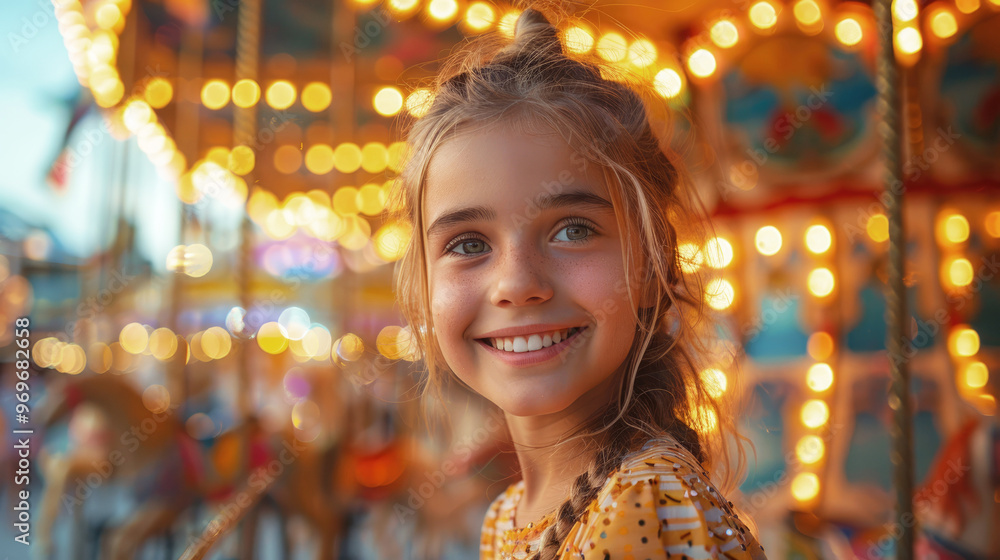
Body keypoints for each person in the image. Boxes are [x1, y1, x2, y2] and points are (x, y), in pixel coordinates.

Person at [386, 4, 767, 559]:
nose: (517, 283)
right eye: (468, 244)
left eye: (573, 230)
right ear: (422, 288)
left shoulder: (645, 505)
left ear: (653, 264)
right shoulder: (510, 514)